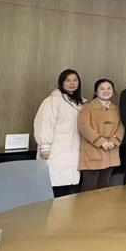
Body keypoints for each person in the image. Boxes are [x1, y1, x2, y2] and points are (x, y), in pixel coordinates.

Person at [34, 69, 84, 197]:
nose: (72, 83)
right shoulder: (53, 100)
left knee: (69, 188)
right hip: (56, 150)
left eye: (75, 80)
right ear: (61, 82)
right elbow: (44, 123)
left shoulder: (80, 103)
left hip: (73, 150)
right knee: (55, 186)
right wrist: (45, 146)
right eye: (68, 80)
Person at [77, 79, 125, 191]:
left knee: (104, 185)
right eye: (102, 88)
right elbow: (84, 127)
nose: (106, 91)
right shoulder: (88, 108)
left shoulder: (117, 109)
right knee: (89, 186)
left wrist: (114, 141)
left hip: (111, 150)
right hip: (92, 150)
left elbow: (121, 126)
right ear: (96, 91)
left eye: (109, 88)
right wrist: (101, 141)